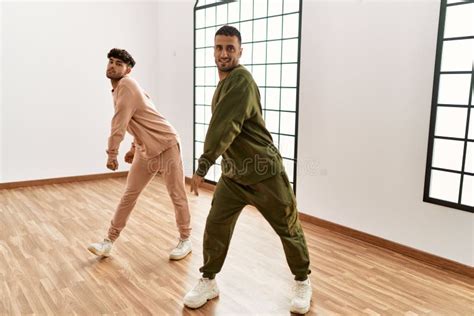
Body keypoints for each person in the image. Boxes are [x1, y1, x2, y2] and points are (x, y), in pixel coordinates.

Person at [183, 26, 312, 314]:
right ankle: (208, 280)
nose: (224, 53)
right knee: (216, 226)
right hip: (233, 176)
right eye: (219, 47)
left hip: (264, 172)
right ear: (213, 51)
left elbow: (225, 125)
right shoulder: (224, 83)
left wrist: (203, 164)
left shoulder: (241, 80)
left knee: (288, 227)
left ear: (241, 51)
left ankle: (302, 280)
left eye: (230, 48)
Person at [88, 48, 192, 260]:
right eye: (110, 61)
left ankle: (185, 240)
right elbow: (140, 119)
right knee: (129, 195)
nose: (112, 66)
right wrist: (134, 147)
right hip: (146, 151)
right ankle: (108, 241)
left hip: (167, 145)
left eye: (119, 63)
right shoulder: (118, 90)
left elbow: (119, 122)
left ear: (128, 70)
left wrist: (112, 154)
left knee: (177, 195)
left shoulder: (127, 84)